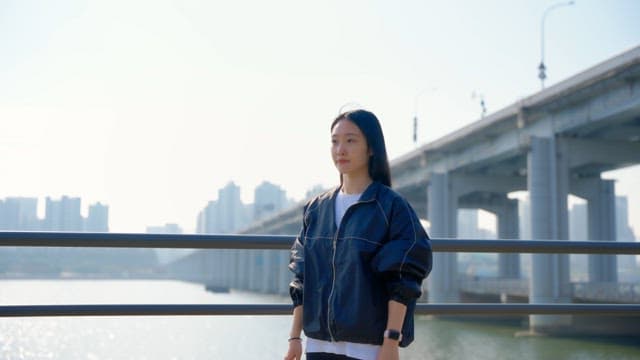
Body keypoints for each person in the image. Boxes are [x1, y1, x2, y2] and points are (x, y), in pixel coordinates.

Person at [284, 109, 433, 360]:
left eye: (351, 140)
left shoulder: (391, 206)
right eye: (335, 141)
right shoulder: (316, 209)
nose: (340, 149)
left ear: (371, 148)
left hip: (368, 349)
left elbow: (403, 279)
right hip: (318, 346)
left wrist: (391, 341)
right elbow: (302, 278)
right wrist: (295, 338)